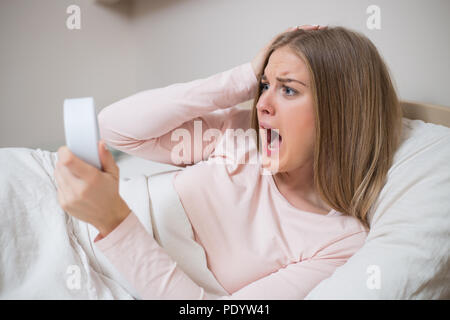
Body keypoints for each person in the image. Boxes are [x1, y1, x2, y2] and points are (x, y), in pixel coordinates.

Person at [54, 24, 403, 299]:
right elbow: (117, 128)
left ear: (343, 112)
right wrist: (243, 77)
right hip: (55, 211)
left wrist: (113, 223)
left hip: (84, 262)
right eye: (264, 86)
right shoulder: (243, 139)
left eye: (289, 89)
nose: (262, 105)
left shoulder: (339, 242)